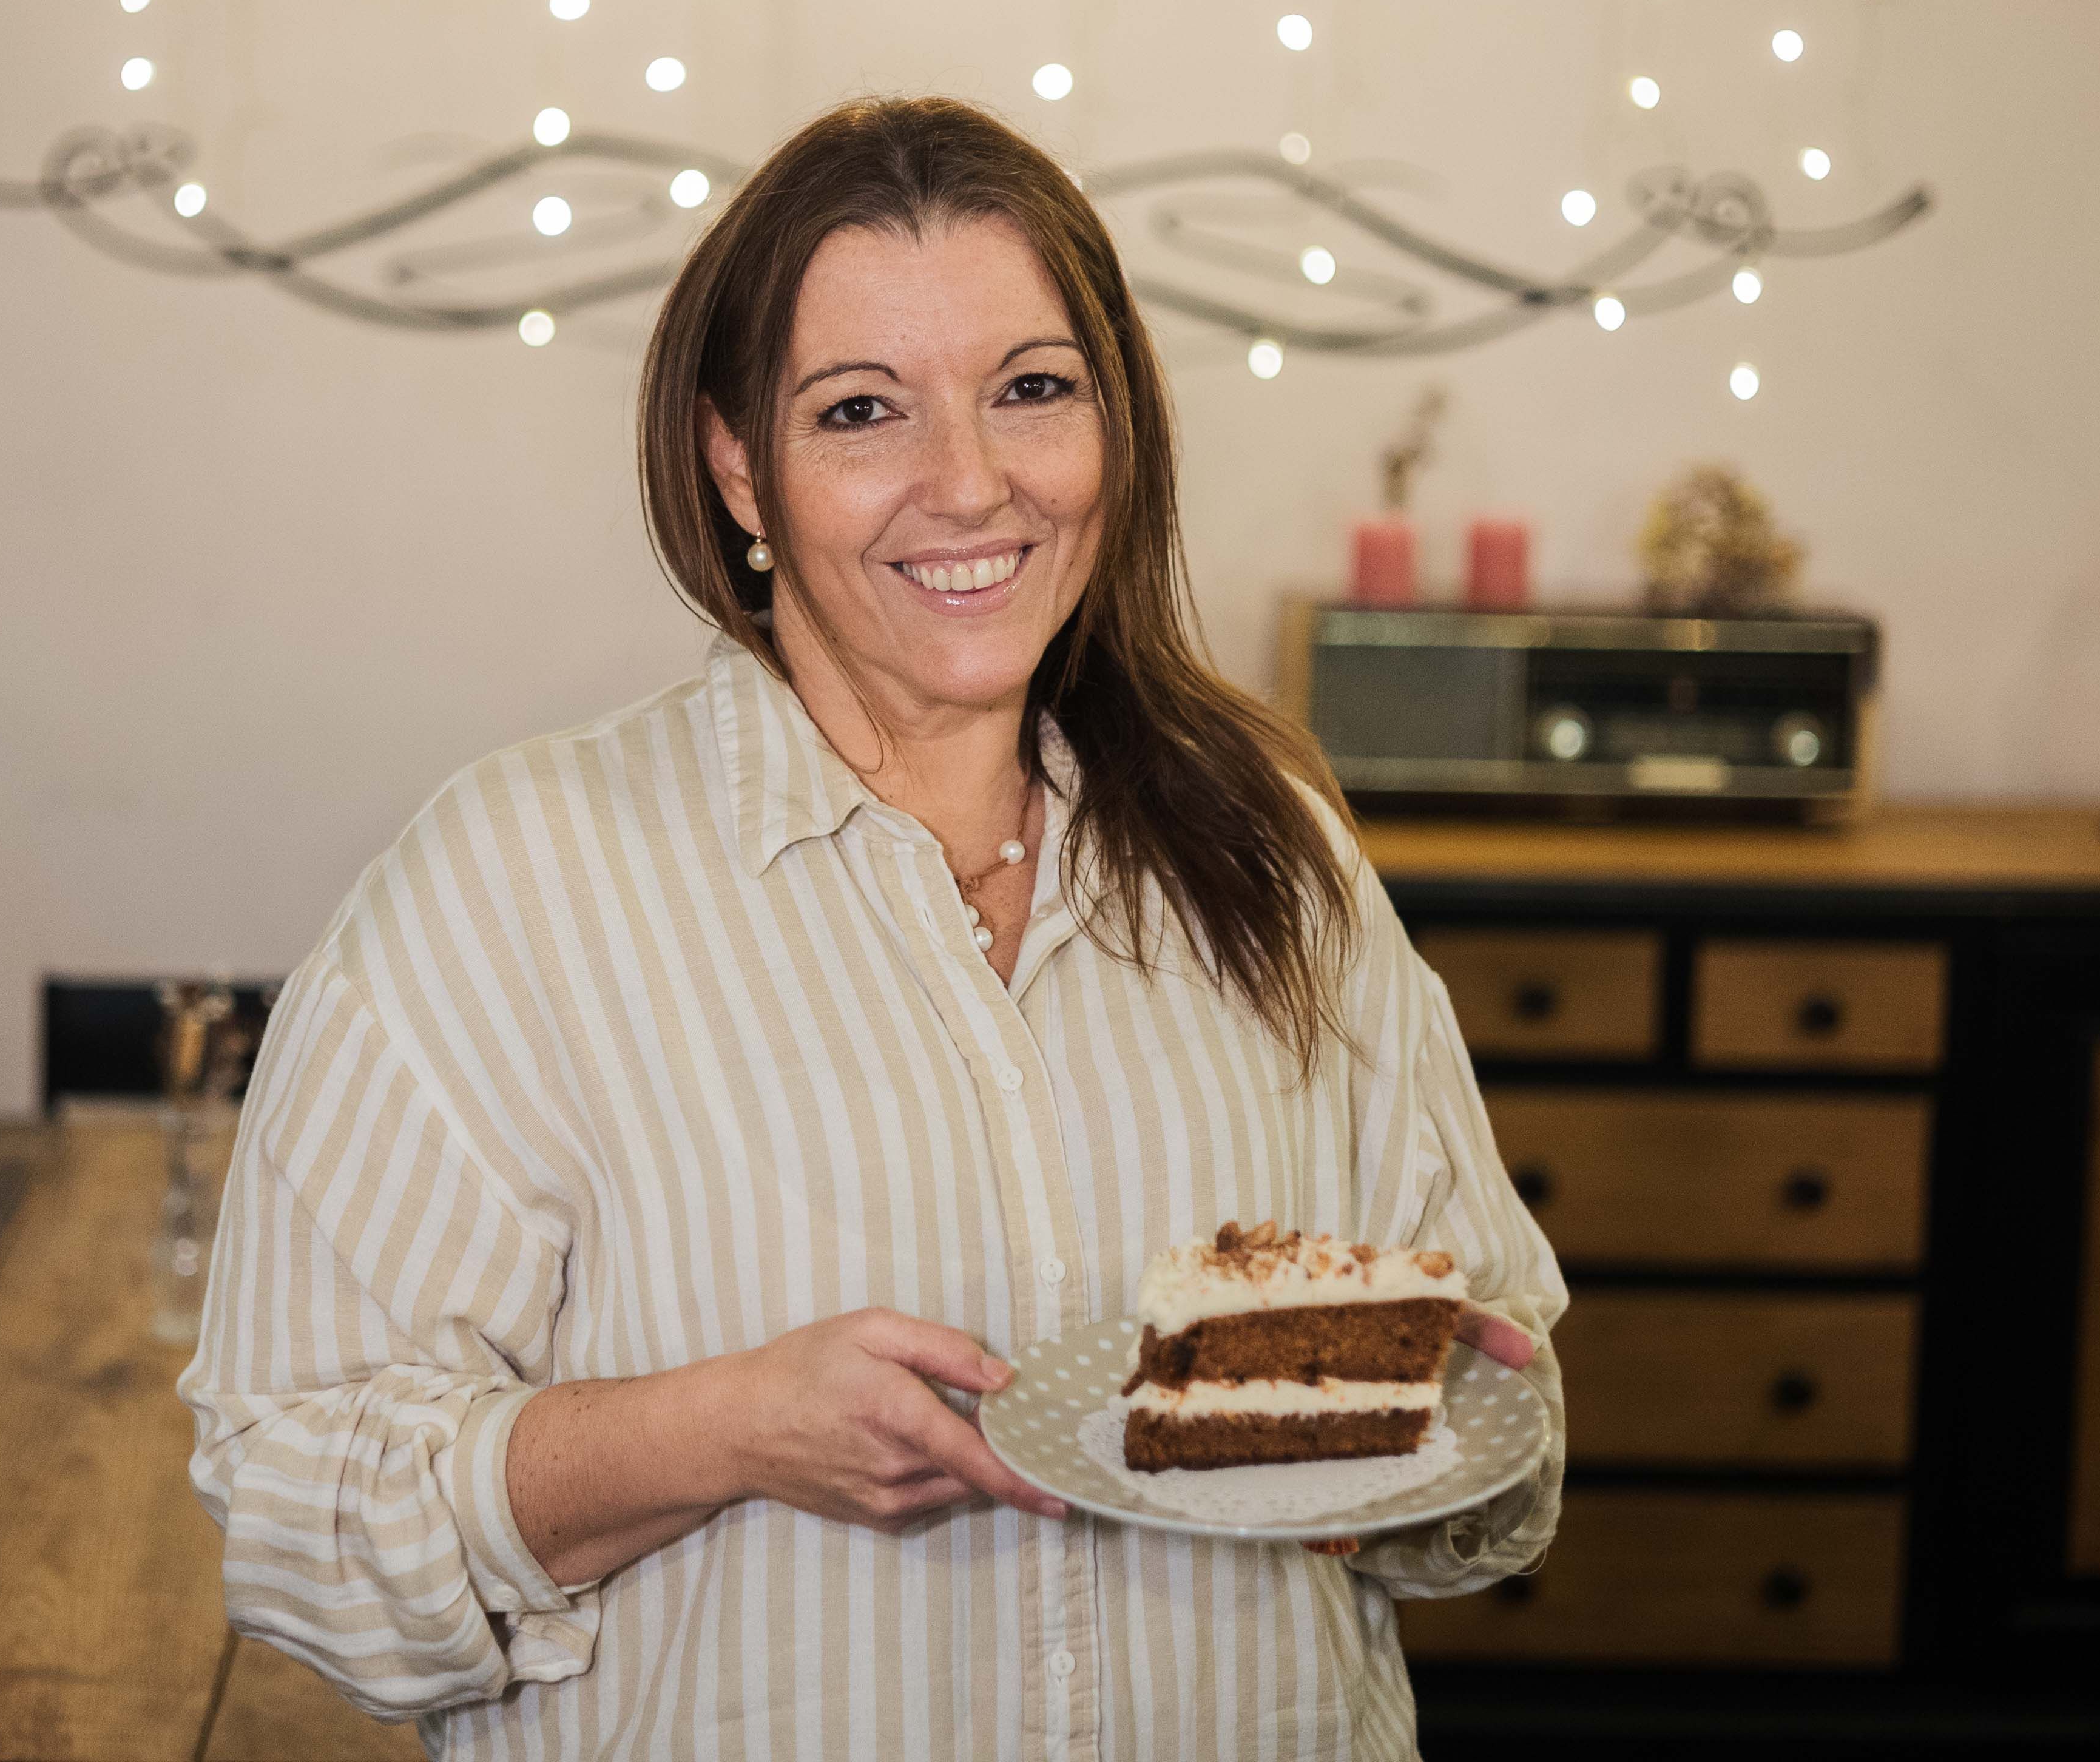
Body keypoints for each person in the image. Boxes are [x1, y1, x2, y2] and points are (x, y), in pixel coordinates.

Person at [181, 96, 1565, 1758]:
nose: (969, 484)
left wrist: (1390, 1416)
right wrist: (722, 1430)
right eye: (861, 412)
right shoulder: (518, 884)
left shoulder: (1268, 846)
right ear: (739, 469)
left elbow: (1489, 1421)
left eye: (1032, 390)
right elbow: (297, 1510)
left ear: (1116, 426)